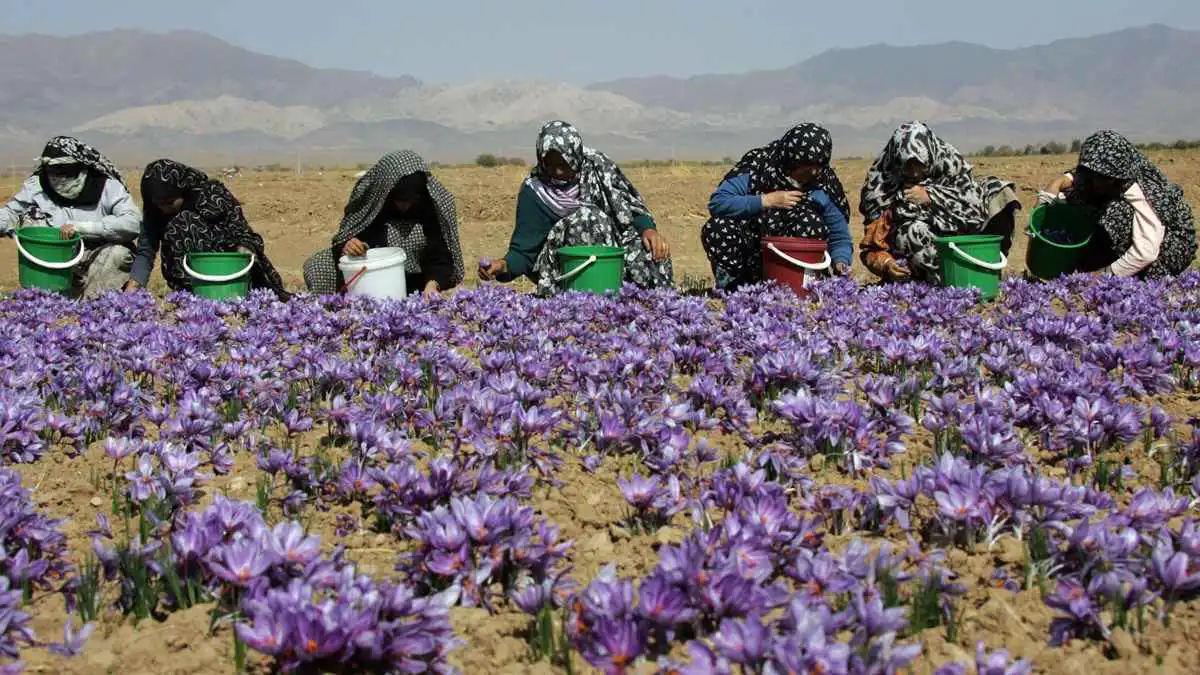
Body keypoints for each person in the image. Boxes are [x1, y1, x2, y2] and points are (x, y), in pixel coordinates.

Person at [478, 120, 673, 295]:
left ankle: (646, 301)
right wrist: (502, 266)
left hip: (611, 255)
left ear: (575, 156)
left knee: (648, 247)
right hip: (562, 270)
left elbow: (627, 209)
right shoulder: (534, 191)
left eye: (564, 164)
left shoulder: (598, 168)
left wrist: (648, 229)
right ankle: (581, 300)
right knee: (587, 218)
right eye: (549, 164)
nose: (557, 172)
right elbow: (524, 251)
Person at [858, 122, 1019, 283]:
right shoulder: (883, 187)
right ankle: (940, 281)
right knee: (914, 229)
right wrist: (886, 264)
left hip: (963, 236)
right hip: (916, 254)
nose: (914, 173)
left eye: (920, 165)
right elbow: (871, 248)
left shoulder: (948, 163)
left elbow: (975, 208)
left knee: (999, 192)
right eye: (908, 166)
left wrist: (931, 195)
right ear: (897, 161)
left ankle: (988, 268)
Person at [701, 123, 853, 291]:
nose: (811, 177)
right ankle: (735, 289)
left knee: (809, 221)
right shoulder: (758, 169)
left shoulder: (823, 184)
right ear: (790, 162)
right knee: (718, 227)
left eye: (817, 171)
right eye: (805, 172)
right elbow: (718, 203)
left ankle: (802, 289)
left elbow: (839, 236)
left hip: (799, 269)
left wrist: (841, 261)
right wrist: (766, 200)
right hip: (752, 259)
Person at [303, 150, 464, 298]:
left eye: (410, 201)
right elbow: (346, 237)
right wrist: (349, 245)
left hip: (416, 287)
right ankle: (327, 310)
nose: (405, 207)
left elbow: (441, 258)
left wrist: (433, 283)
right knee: (320, 263)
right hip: (370, 281)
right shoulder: (370, 204)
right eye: (398, 201)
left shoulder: (429, 210)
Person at [1039, 130, 1196, 278]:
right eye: (1093, 175)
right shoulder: (1098, 171)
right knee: (1078, 193)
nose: (1095, 181)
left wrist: (1103, 276)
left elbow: (1146, 252)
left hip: (1166, 248)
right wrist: (1054, 186)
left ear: (1115, 176)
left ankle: (1119, 267)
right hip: (1134, 243)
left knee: (1117, 212)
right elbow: (1073, 178)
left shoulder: (1140, 189)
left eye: (1102, 178)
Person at [0, 136, 141, 297]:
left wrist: (82, 228)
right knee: (31, 221)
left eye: (63, 172)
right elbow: (11, 211)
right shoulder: (38, 186)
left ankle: (94, 307)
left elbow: (133, 223)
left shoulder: (108, 188)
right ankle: (47, 300)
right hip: (55, 254)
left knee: (119, 254)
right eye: (52, 172)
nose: (57, 178)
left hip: (98, 255)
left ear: (81, 168)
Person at [129, 159, 288, 298]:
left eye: (170, 202)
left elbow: (241, 230)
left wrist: (243, 248)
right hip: (187, 278)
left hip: (230, 270)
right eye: (158, 204)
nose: (163, 209)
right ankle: (193, 295)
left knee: (184, 222)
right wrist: (133, 287)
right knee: (180, 225)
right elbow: (146, 250)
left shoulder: (212, 195)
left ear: (183, 191)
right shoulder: (153, 211)